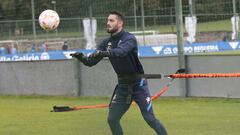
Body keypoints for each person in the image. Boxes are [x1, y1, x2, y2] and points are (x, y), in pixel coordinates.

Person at [70, 11, 168, 135]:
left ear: (120, 23)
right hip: (123, 87)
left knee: (150, 119)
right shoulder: (106, 42)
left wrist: (104, 53)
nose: (108, 23)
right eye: (107, 20)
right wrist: (81, 57)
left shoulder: (129, 38)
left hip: (139, 86)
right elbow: (91, 62)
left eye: (111, 21)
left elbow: (121, 52)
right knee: (112, 119)